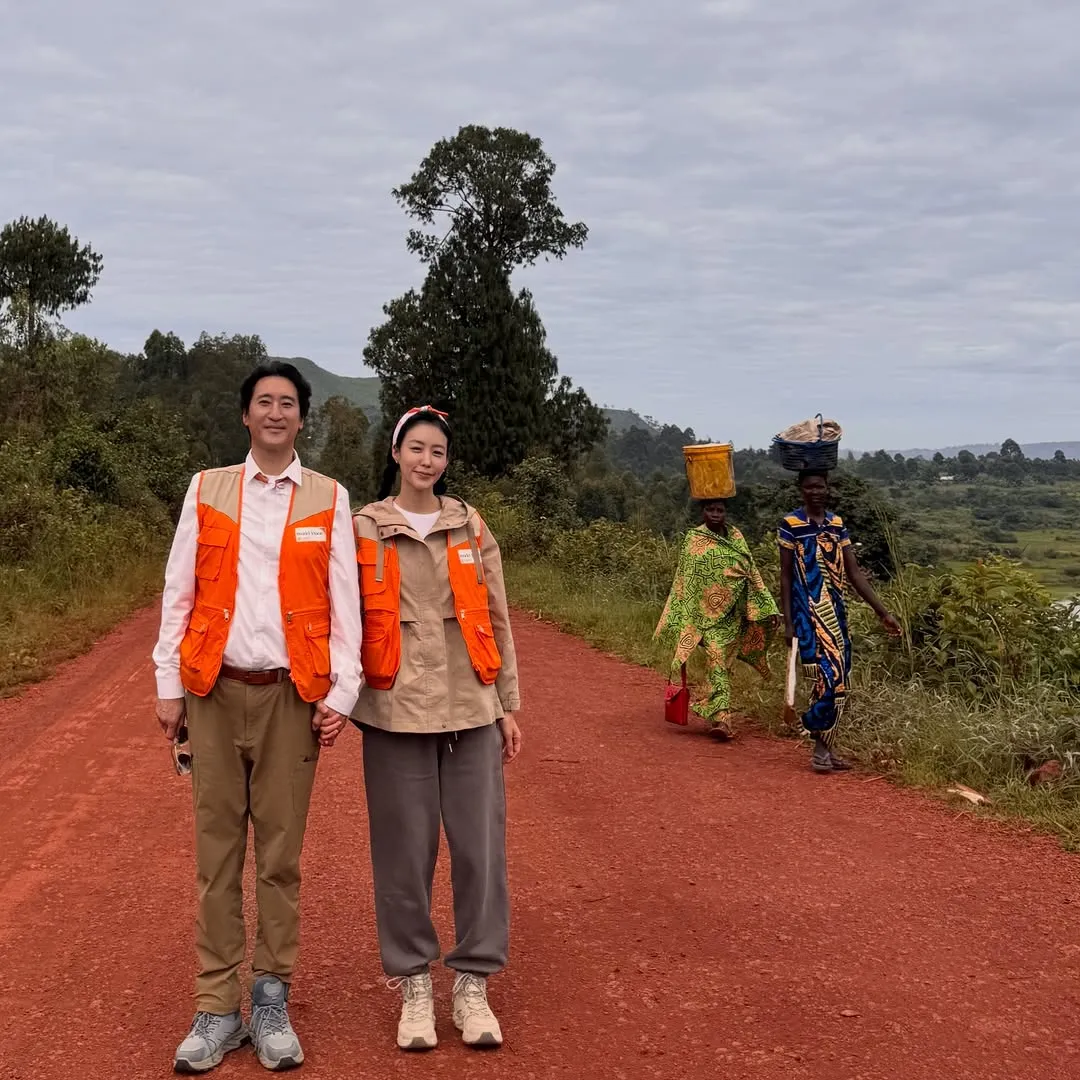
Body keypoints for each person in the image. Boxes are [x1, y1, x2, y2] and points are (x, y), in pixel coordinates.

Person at [152, 361, 362, 1073]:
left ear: (303, 419)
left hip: (291, 699)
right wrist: (167, 682)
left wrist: (342, 694)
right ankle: (216, 1010)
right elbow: (179, 589)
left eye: (288, 403)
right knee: (217, 858)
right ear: (246, 415)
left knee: (278, 859)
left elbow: (346, 608)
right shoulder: (207, 489)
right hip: (211, 692)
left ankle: (270, 999)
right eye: (263, 402)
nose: (275, 413)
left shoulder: (329, 498)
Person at [351, 406, 522, 1053]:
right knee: (404, 854)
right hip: (395, 709)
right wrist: (335, 701)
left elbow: (498, 615)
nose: (428, 460)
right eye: (417, 448)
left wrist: (508, 704)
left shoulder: (469, 524)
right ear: (396, 453)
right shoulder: (365, 528)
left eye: (438, 452)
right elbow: (346, 619)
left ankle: (473, 982)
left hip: (471, 704)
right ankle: (415, 983)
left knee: (480, 850)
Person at [778, 470, 901, 773]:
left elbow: (855, 573)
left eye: (819, 486)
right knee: (829, 680)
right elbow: (785, 576)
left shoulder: (837, 524)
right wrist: (788, 622)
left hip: (836, 615)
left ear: (827, 489)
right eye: (809, 487)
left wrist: (882, 611)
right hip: (808, 618)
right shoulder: (791, 525)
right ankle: (817, 742)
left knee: (839, 681)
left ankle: (825, 746)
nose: (815, 492)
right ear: (801, 490)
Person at [654, 498, 780, 739]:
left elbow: (750, 570)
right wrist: (685, 614)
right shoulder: (694, 539)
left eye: (719, 510)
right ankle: (721, 717)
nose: (714, 514)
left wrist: (768, 607)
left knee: (720, 663)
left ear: (725, 513)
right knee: (716, 658)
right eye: (710, 509)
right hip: (702, 617)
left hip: (731, 616)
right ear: (703, 512)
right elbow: (685, 579)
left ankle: (718, 714)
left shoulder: (736, 538)